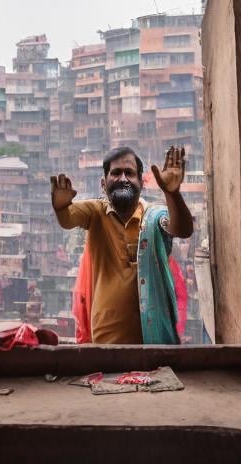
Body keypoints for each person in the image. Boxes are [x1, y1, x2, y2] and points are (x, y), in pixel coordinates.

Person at [50, 145, 193, 344]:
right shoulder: (95, 212)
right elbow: (67, 219)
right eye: (116, 173)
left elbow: (183, 229)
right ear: (103, 183)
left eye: (129, 173)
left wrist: (173, 194)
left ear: (141, 182)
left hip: (152, 342)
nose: (123, 179)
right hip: (105, 340)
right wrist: (60, 206)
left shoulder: (153, 215)